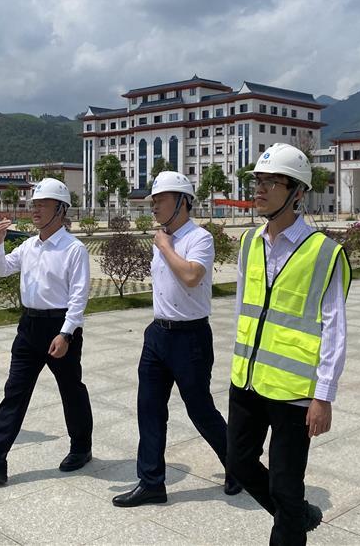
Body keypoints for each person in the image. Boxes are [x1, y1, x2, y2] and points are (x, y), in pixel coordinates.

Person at [227, 143, 351, 545]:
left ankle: (290, 520)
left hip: (294, 392)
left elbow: (334, 328)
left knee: (284, 483)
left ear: (297, 192)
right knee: (238, 463)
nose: (259, 189)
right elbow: (243, 308)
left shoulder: (325, 253)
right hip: (247, 380)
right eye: (257, 181)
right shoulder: (249, 242)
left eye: (271, 182)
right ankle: (297, 515)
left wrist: (323, 395)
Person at [113, 171, 242, 508]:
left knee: (200, 409)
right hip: (158, 334)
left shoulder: (200, 238)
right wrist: (164, 244)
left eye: (161, 200)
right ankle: (151, 482)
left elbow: (190, 276)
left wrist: (165, 246)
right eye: (153, 201)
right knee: (149, 409)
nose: (154, 206)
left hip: (190, 337)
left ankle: (238, 467)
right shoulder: (164, 239)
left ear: (183, 201)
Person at [0, 178, 92, 485]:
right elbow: (1, 269)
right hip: (29, 327)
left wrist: (66, 333)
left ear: (61, 209)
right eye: (34, 205)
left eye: (43, 205)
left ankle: (81, 448)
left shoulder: (74, 249)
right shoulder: (30, 245)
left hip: (60, 328)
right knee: (14, 394)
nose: (36, 210)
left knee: (71, 391)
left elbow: (79, 297)